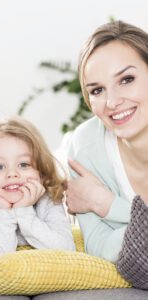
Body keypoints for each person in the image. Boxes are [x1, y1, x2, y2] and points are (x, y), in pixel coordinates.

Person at [65, 20, 148, 263]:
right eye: (97, 90)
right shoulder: (84, 146)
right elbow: (100, 248)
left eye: (126, 79)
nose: (111, 102)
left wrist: (106, 203)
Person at [0, 117, 75, 262]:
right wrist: (4, 215)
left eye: (23, 164)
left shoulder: (47, 200)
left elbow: (66, 250)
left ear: (41, 171)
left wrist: (24, 212)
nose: (12, 174)